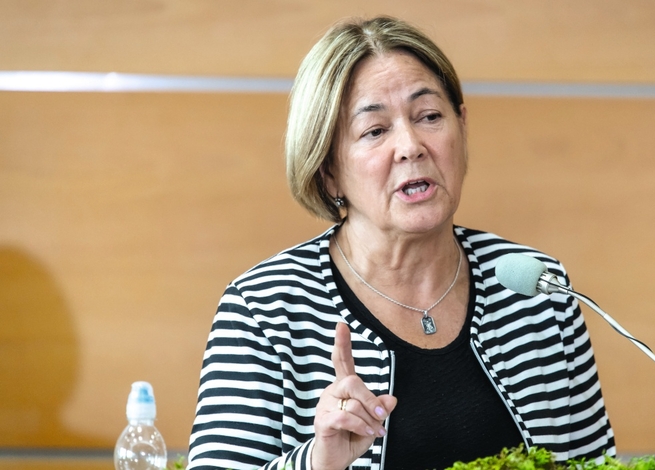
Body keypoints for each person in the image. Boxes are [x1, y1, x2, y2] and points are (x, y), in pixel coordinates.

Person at [187, 16, 615, 470]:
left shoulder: (537, 288)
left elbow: (595, 463)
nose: (411, 145)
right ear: (328, 169)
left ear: (462, 126)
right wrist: (317, 462)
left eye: (429, 117)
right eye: (375, 130)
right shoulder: (263, 308)